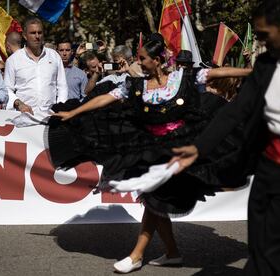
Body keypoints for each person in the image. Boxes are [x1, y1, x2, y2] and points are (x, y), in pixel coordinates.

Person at [170, 1, 280, 275]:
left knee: (271, 251)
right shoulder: (266, 64)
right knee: (262, 252)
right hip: (266, 169)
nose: (260, 41)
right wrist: (198, 148)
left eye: (264, 35)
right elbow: (234, 112)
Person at [48, 39, 251, 273]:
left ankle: (137, 255)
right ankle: (172, 253)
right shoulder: (136, 85)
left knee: (154, 198)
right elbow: (107, 97)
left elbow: (217, 72)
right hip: (149, 148)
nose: (139, 62)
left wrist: (252, 70)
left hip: (178, 149)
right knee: (153, 200)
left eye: (143, 58)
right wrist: (74, 111)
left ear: (157, 60)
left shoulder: (181, 78)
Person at [4, 16, 68, 115]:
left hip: (50, 116)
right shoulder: (13, 60)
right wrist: (19, 104)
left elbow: (62, 86)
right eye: (33, 33)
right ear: (25, 36)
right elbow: (7, 89)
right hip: (24, 116)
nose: (37, 36)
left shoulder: (54, 56)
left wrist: (60, 108)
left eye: (40, 32)